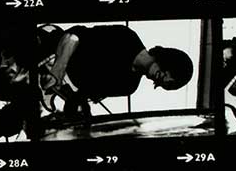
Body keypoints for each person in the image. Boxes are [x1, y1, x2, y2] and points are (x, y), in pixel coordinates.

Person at [36, 24, 193, 114]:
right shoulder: (127, 37)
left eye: (169, 84)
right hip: (47, 48)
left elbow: (83, 93)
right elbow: (74, 35)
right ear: (170, 59)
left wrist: (78, 107)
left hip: (49, 85)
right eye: (172, 75)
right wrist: (58, 70)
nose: (166, 80)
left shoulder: (129, 86)